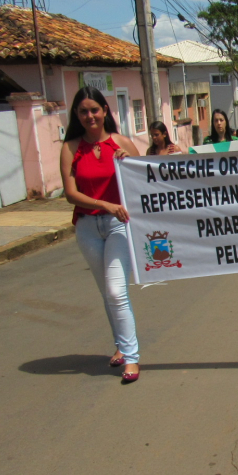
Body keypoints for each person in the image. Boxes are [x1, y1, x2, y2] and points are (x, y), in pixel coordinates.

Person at [58, 87, 142, 384]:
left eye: (94, 109)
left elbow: (144, 183)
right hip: (87, 227)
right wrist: (103, 204)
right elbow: (71, 194)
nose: (90, 116)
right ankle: (120, 345)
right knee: (107, 291)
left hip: (120, 225)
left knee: (117, 290)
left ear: (106, 110)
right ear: (76, 116)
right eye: (83, 111)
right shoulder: (70, 148)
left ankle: (131, 358)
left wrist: (127, 163)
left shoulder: (122, 143)